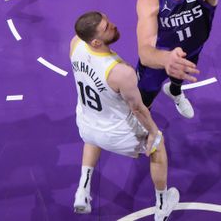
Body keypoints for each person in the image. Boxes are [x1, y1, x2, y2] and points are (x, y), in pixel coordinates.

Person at [70, 11, 179, 220]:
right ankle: (163, 204)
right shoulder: (121, 72)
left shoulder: (76, 44)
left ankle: (82, 189)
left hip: (86, 123)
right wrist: (154, 132)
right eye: (106, 28)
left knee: (93, 136)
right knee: (157, 146)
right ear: (95, 42)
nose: (113, 26)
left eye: (108, 21)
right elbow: (138, 109)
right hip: (116, 133)